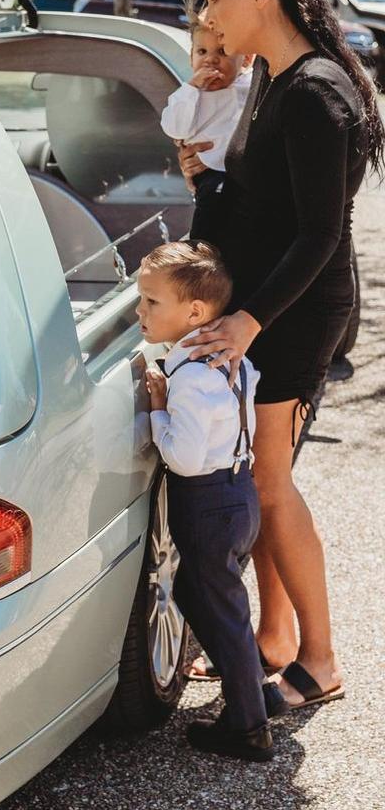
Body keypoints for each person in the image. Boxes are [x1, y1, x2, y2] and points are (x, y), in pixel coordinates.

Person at [177, 0, 384, 710]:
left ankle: (321, 659)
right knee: (268, 479)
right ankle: (274, 639)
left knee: (268, 484)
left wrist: (248, 320)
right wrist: (202, 182)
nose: (209, 15)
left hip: (297, 314)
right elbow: (262, 206)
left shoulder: (316, 92)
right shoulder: (270, 78)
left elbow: (321, 233)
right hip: (270, 305)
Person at [140, 240, 286, 761]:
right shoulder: (228, 357)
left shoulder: (192, 378)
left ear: (195, 312)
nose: (140, 310)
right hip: (238, 495)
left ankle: (248, 728)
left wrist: (158, 407)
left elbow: (182, 456)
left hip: (206, 503)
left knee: (219, 608)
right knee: (207, 598)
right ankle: (253, 691)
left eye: (152, 302)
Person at [160, 0, 254, 239]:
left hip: (238, 173)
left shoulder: (251, 86)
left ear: (245, 60)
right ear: (191, 58)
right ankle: (200, 248)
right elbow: (173, 128)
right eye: (201, 52)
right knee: (211, 207)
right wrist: (191, 88)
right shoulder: (189, 95)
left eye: (222, 52)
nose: (211, 59)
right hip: (209, 172)